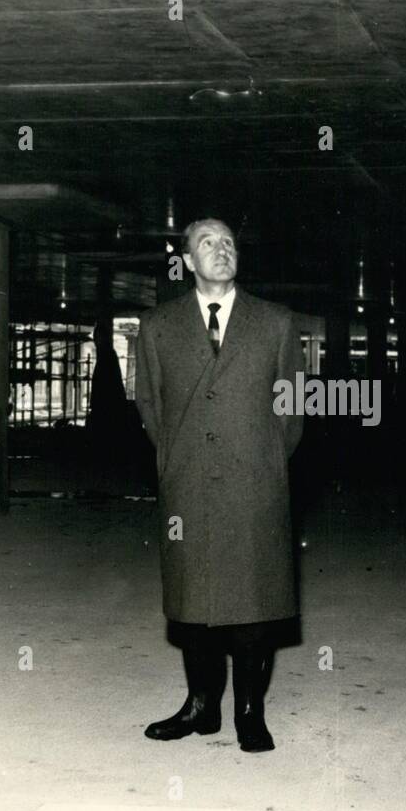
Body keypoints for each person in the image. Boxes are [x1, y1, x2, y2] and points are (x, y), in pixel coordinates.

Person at [133, 217, 304, 752]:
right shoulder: (158, 327)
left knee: (253, 601)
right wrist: (177, 458)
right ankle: (200, 706)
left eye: (228, 242)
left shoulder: (275, 323)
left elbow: (291, 409)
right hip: (187, 483)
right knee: (193, 602)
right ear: (186, 260)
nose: (221, 250)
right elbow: (151, 406)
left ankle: (249, 713)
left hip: (254, 481)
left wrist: (266, 458)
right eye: (207, 243)